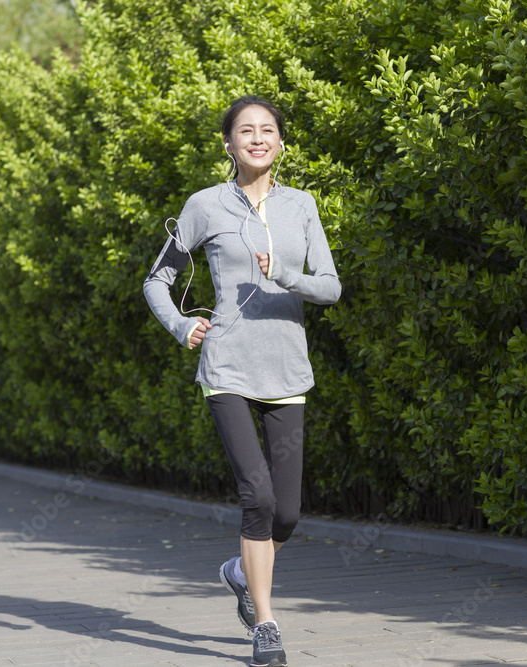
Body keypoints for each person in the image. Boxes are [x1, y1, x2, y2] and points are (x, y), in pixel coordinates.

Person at [142, 95, 341, 667]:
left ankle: (237, 570)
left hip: (286, 368)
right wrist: (181, 325)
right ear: (228, 144)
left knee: (287, 514)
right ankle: (266, 623)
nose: (258, 138)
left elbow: (329, 286)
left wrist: (283, 272)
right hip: (226, 365)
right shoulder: (204, 207)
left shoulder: (302, 206)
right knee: (256, 497)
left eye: (268, 130)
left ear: (281, 142)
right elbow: (159, 279)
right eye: (245, 131)